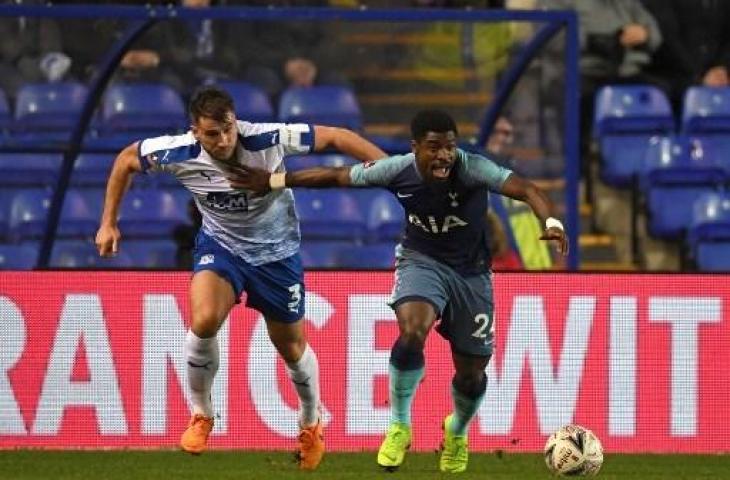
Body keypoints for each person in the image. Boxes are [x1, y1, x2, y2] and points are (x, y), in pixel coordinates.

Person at [226, 110, 569, 473]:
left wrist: (551, 221)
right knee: (411, 331)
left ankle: (457, 430)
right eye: (434, 147)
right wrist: (275, 180)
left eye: (449, 147)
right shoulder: (398, 170)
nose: (443, 156)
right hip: (421, 261)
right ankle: (400, 425)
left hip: (472, 274)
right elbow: (338, 176)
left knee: (471, 374)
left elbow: (528, 189)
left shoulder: (473, 169)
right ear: (415, 147)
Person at [94, 85, 386, 469]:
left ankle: (311, 422)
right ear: (196, 132)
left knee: (292, 349)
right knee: (203, 321)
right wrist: (108, 223)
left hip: (278, 255)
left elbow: (338, 136)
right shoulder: (176, 151)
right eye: (213, 134)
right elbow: (127, 159)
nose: (224, 139)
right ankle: (202, 414)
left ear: (235, 121)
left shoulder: (265, 137)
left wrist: (395, 170)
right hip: (222, 249)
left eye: (228, 129)